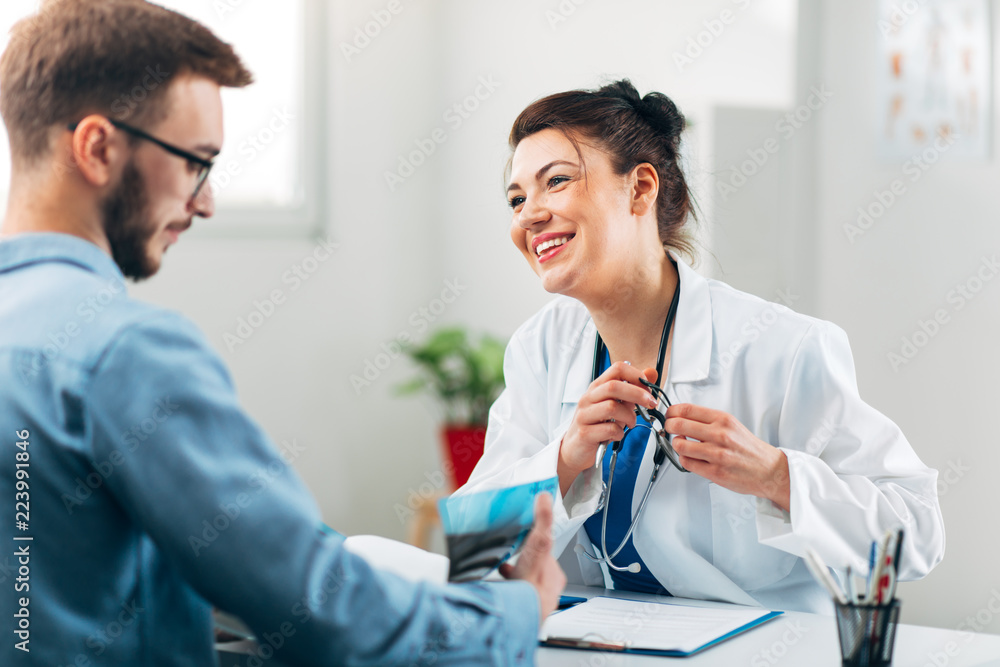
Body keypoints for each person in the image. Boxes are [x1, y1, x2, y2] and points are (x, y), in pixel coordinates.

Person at [0, 1, 564, 665]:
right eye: (196, 162)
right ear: (96, 147)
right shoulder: (123, 351)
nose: (204, 201)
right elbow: (322, 613)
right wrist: (515, 608)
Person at [456, 79, 945, 614]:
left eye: (557, 182)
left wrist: (776, 476)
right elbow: (473, 545)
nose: (528, 215)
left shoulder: (782, 349)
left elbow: (916, 537)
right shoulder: (541, 348)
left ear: (642, 188)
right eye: (516, 198)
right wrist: (567, 458)